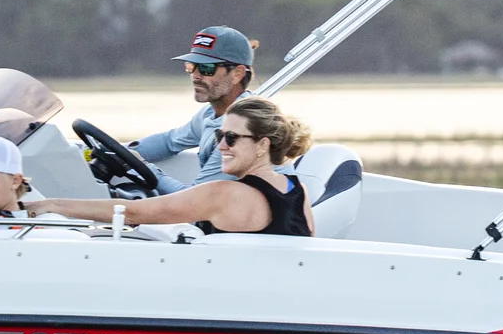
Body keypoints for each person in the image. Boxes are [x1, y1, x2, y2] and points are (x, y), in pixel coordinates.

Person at [33, 97, 313, 237]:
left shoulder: (224, 194)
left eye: (231, 138)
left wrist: (51, 205)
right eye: (218, 135)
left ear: (262, 145)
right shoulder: (297, 190)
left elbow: (132, 212)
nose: (220, 146)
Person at [126, 25, 258, 191]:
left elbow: (195, 198)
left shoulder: (242, 129)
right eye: (191, 66)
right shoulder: (210, 114)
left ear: (237, 74)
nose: (195, 75)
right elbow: (169, 141)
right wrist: (118, 152)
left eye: (206, 68)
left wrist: (143, 168)